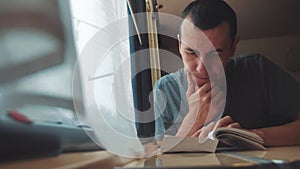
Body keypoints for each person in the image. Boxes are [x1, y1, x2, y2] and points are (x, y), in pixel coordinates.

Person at [154, 0, 300, 146]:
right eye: (191, 52)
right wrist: (193, 120)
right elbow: (160, 156)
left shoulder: (257, 70)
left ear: (233, 46)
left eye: (215, 54)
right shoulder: (165, 89)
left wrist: (250, 136)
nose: (201, 69)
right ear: (180, 45)